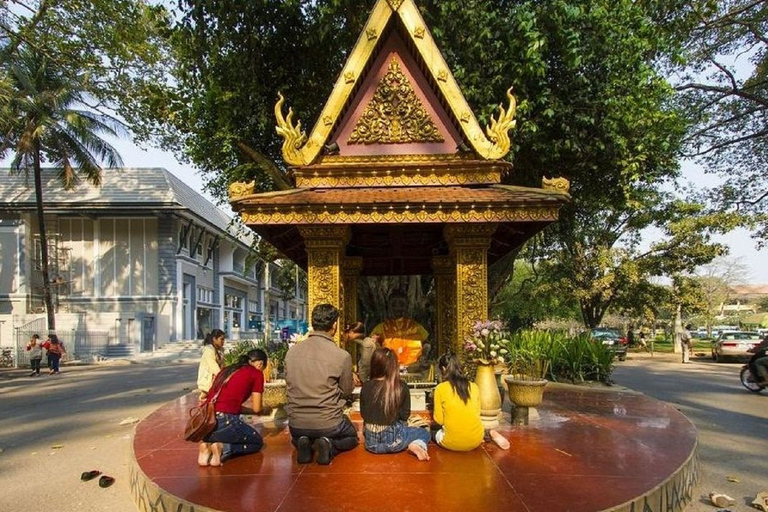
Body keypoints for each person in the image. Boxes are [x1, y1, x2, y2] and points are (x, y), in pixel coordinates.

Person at [285, 303, 358, 465]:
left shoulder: (291, 353)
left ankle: (304, 443)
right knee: (352, 437)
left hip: (296, 424)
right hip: (329, 422)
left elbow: (289, 384)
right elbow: (346, 391)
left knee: (300, 436)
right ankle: (329, 445)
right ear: (334, 325)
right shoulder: (341, 355)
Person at [199, 348, 268, 467]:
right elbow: (257, 408)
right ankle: (224, 448)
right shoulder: (256, 373)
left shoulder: (227, 370)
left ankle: (207, 447)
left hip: (207, 424)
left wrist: (252, 412)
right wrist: (262, 411)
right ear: (260, 363)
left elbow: (227, 403)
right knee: (257, 442)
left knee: (223, 434)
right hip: (226, 421)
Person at [360, 347, 431, 460]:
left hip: (371, 444)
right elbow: (404, 416)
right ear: (393, 366)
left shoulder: (366, 386)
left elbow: (364, 414)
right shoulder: (401, 387)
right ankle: (416, 444)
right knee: (425, 432)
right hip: (394, 442)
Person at [433, 353, 509, 451]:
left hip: (450, 442)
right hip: (476, 441)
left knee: (430, 432)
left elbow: (439, 420)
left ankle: (486, 433)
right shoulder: (473, 386)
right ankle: (488, 433)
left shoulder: (440, 388)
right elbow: (477, 413)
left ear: (443, 369)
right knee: (475, 427)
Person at [371, 291, 429, 367]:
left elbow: (427, 344)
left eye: (401, 305)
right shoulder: (381, 328)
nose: (398, 308)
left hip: (413, 369)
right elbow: (371, 344)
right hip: (388, 369)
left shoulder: (416, 327)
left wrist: (423, 355)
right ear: (389, 307)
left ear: (407, 306)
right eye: (394, 305)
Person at [197, 329, 225, 398]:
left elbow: (222, 365)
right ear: (214, 339)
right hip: (207, 381)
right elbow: (214, 368)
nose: (223, 342)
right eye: (221, 339)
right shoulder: (209, 351)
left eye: (224, 339)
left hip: (215, 378)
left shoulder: (220, 350)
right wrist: (224, 377)